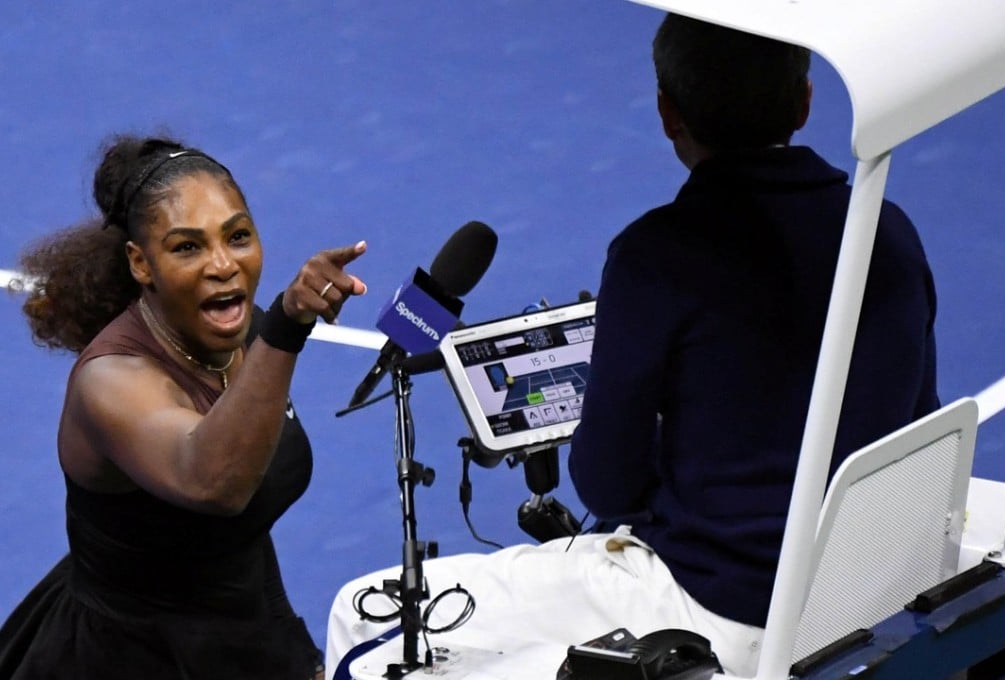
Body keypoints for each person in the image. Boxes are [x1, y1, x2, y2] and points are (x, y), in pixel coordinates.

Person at [326, 13, 937, 679]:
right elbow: (917, 421)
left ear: (668, 114)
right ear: (805, 100)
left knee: (361, 613)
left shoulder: (657, 257)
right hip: (870, 596)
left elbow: (606, 484)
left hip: (718, 614)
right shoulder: (891, 231)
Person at [0, 134, 369, 679]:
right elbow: (213, 482)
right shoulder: (110, 383)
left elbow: (245, 524)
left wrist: (291, 648)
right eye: (187, 247)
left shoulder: (239, 334)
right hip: (127, 664)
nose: (224, 264)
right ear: (141, 264)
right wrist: (286, 329)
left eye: (238, 236)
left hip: (245, 638)